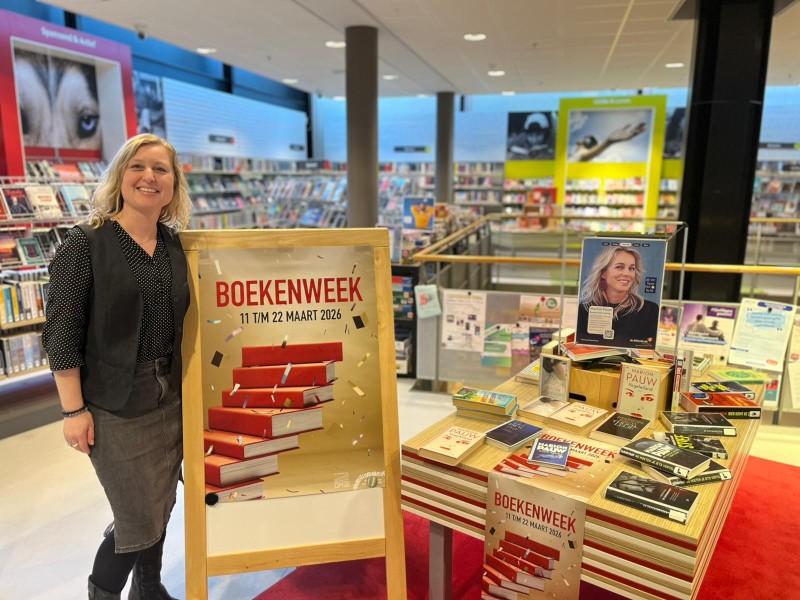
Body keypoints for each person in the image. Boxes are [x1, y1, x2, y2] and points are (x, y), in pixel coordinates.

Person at [42, 133, 191, 600]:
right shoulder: (86, 242)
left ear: (173, 183)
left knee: (161, 503)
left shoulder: (174, 244)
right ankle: (102, 593)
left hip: (172, 397)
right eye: (138, 167)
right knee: (135, 517)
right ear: (120, 176)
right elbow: (62, 332)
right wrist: (73, 411)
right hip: (115, 405)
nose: (149, 177)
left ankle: (149, 588)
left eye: (161, 169)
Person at [577, 245, 660, 347]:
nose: (627, 273)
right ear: (603, 273)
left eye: (631, 268)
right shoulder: (585, 308)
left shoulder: (650, 310)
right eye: (619, 267)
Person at [570, 121, 647, 162]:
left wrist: (608, 142)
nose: (580, 138)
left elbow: (583, 156)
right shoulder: (575, 154)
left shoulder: (580, 154)